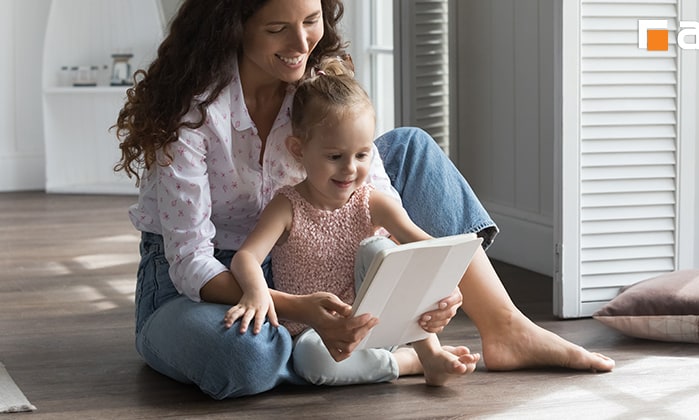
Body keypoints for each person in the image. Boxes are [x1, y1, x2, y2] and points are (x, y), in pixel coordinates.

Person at [114, 0, 614, 400]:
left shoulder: (316, 82)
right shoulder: (194, 115)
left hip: (308, 256)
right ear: (235, 27)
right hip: (208, 281)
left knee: (411, 147)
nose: (300, 43)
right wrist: (300, 309)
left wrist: (431, 284)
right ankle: (373, 356)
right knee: (243, 361)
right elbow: (190, 262)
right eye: (277, 29)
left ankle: (505, 329)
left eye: (310, 21)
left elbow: (375, 197)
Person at [225, 57, 480, 386]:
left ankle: (428, 351)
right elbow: (246, 257)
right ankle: (407, 363)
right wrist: (256, 290)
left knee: (381, 248)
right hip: (318, 336)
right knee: (311, 363)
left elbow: (425, 245)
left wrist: (447, 284)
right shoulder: (286, 205)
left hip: (378, 324)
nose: (350, 169)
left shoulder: (372, 201)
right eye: (335, 156)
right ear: (298, 149)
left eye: (362, 155)